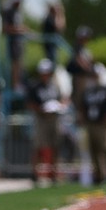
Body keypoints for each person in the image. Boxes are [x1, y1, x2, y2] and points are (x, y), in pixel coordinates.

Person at [25, 58, 66, 186]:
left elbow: (62, 99)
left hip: (54, 119)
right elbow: (29, 103)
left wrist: (59, 106)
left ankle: (53, 173)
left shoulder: (55, 86)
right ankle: (34, 173)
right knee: (38, 146)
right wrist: (41, 110)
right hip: (41, 119)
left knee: (55, 146)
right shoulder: (34, 86)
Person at [80, 65, 106, 186]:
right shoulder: (88, 91)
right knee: (93, 149)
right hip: (91, 123)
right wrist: (83, 118)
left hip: (103, 123)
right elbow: (83, 106)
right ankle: (99, 176)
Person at [1, 0, 29, 94]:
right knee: (15, 65)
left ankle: (18, 84)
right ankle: (15, 85)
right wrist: (20, 29)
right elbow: (5, 28)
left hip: (18, 43)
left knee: (19, 64)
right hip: (13, 43)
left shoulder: (17, 12)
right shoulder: (9, 12)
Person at [41, 1, 66, 67]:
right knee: (52, 63)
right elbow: (58, 27)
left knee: (54, 61)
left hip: (53, 45)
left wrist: (61, 14)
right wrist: (59, 14)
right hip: (50, 45)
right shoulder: (49, 18)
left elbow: (63, 27)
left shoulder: (52, 18)